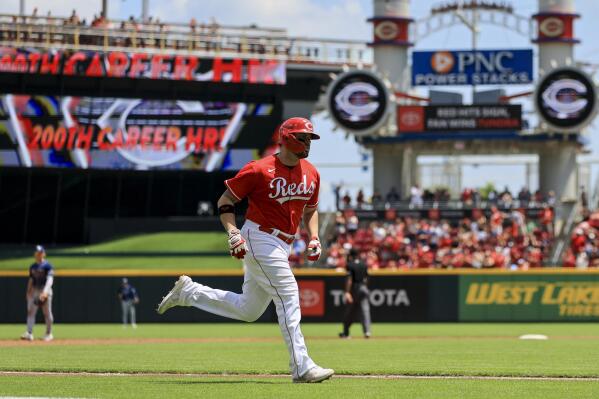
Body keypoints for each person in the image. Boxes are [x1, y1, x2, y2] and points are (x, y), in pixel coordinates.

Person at [156, 117, 334, 383]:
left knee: (249, 310)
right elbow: (225, 200)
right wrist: (233, 233)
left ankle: (190, 292)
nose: (308, 142)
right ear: (287, 138)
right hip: (259, 236)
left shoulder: (311, 172)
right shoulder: (259, 169)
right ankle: (302, 367)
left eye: (309, 138)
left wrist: (315, 237)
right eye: (303, 137)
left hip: (284, 242)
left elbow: (310, 209)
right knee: (288, 294)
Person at [21, 245, 54, 342]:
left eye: (40, 252)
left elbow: (50, 279)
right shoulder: (33, 266)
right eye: (37, 252)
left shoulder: (48, 266)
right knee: (31, 312)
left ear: (44, 253)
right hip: (35, 291)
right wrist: (28, 291)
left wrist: (45, 292)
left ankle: (49, 333)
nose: (38, 254)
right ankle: (29, 333)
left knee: (47, 313)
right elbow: (31, 280)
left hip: (45, 290)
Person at [339, 249, 371, 339]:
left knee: (349, 313)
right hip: (363, 288)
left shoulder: (349, 265)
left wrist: (347, 292)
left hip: (354, 288)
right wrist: (365, 288)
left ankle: (346, 332)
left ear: (351, 256)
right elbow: (367, 278)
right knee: (365, 311)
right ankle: (367, 332)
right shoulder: (364, 264)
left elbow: (349, 280)